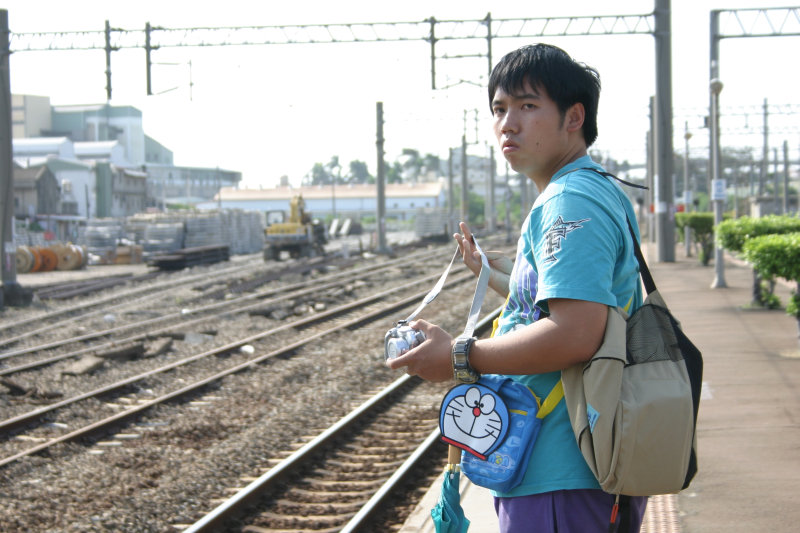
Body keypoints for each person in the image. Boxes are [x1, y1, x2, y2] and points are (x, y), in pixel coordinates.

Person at [386, 43, 648, 532]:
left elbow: (575, 333)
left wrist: (460, 356)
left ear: (574, 117)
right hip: (566, 462)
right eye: (499, 109)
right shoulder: (587, 187)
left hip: (562, 469)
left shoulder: (569, 201)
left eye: (528, 106)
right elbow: (565, 308)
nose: (508, 123)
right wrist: (499, 273)